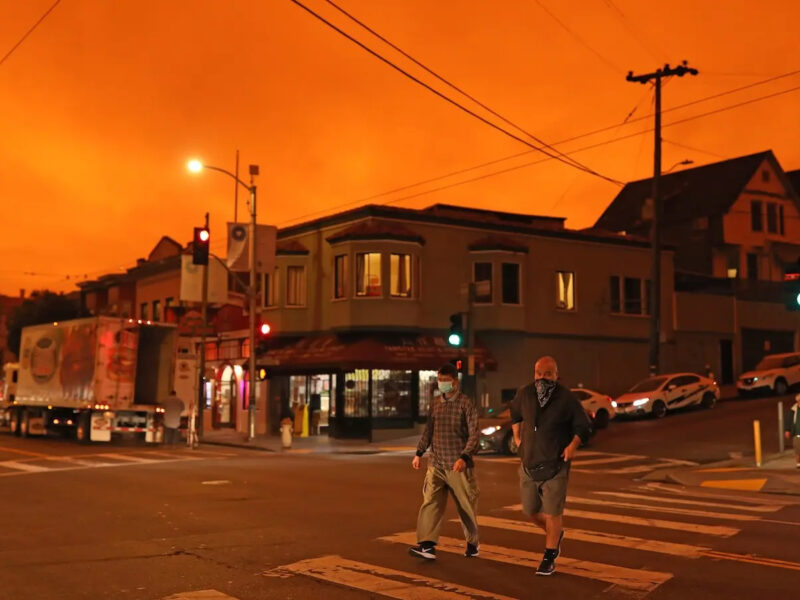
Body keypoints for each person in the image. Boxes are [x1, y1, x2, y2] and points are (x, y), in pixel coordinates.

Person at [510, 356, 592, 576]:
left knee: (553, 511)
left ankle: (549, 555)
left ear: (556, 374)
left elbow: (583, 425)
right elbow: (515, 414)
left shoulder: (566, 398)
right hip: (529, 463)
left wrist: (573, 445)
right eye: (539, 373)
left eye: (548, 374)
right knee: (530, 510)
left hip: (557, 464)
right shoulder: (525, 393)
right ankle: (555, 534)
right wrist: (518, 439)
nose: (542, 378)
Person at [409, 363, 480, 560]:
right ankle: (427, 545)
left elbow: (474, 434)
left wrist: (464, 457)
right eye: (440, 380)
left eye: (446, 380)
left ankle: (472, 543)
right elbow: (429, 431)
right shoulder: (435, 403)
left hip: (458, 465)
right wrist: (419, 452)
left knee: (466, 507)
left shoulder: (466, 404)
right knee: (431, 502)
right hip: (437, 463)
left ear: (455, 382)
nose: (442, 384)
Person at [784, 393, 800, 469]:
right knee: (797, 449)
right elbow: (788, 421)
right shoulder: (793, 410)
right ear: (797, 401)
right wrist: (787, 430)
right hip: (796, 433)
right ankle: (798, 464)